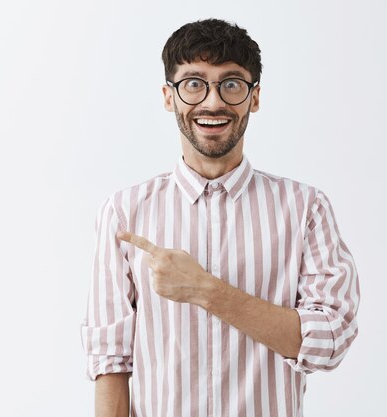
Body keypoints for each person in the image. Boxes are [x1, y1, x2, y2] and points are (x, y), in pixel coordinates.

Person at [81, 18, 359, 417]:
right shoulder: (125, 212)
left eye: (231, 84)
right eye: (194, 83)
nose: (212, 103)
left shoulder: (305, 209)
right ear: (168, 96)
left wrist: (204, 290)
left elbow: (329, 340)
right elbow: (111, 360)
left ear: (254, 97)